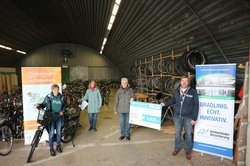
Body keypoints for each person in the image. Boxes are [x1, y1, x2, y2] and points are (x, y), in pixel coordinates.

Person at [160, 76, 199, 160]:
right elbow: (173, 101)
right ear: (180, 82)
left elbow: (196, 105)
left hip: (188, 117)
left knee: (188, 134)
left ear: (188, 82)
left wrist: (194, 118)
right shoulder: (176, 91)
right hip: (177, 116)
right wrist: (165, 104)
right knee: (177, 133)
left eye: (186, 81)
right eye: (183, 81)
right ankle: (177, 148)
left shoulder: (193, 92)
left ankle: (187, 151)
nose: (184, 82)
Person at [37, 84, 66, 156]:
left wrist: (63, 111)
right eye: (54, 90)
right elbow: (43, 104)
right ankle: (51, 149)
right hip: (51, 118)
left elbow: (64, 106)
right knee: (51, 134)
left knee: (59, 132)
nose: (56, 91)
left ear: (58, 90)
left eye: (57, 90)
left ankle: (58, 145)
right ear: (52, 90)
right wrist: (39, 105)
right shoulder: (49, 97)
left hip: (59, 117)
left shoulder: (61, 97)